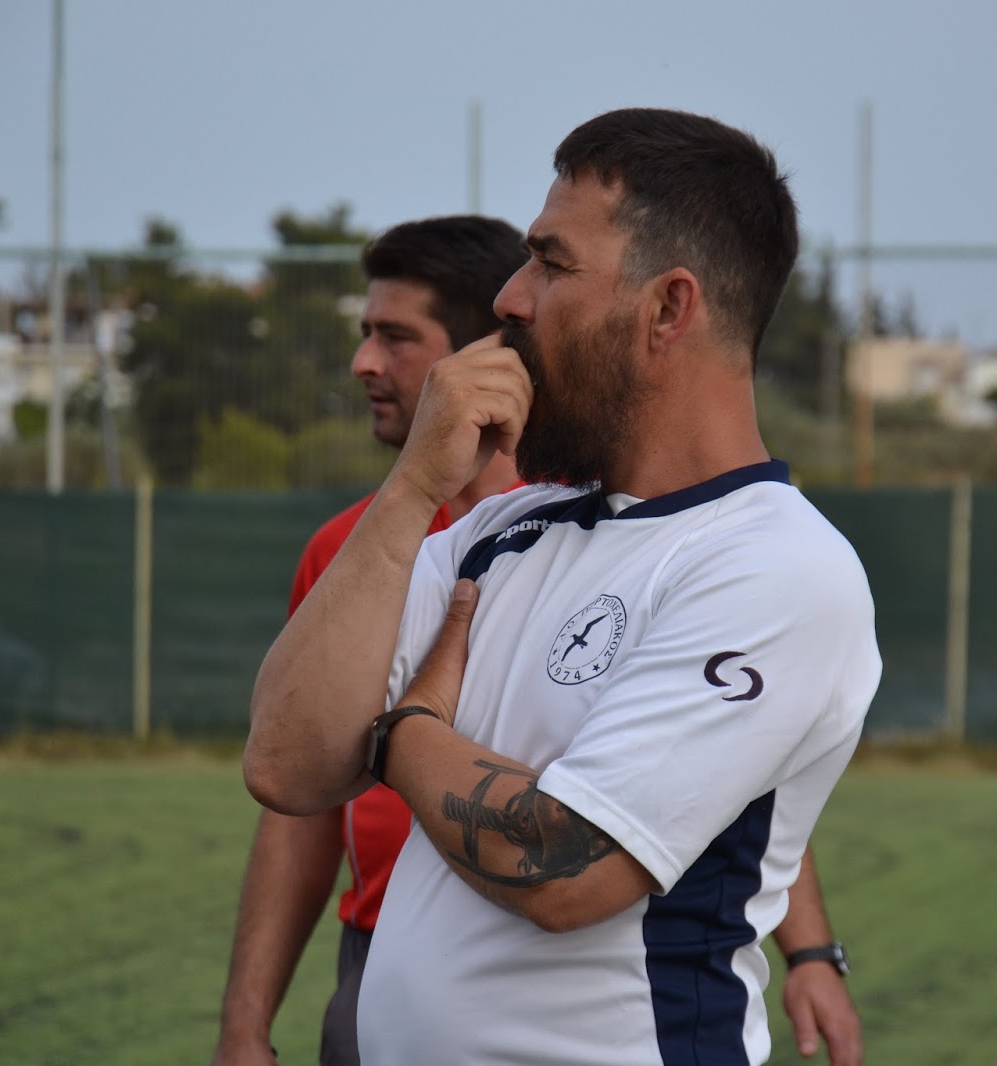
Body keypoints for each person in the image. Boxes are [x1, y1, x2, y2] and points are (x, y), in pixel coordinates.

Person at [242, 108, 881, 1066]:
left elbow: (562, 867)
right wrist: (412, 488)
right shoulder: (502, 530)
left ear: (668, 308)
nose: (511, 298)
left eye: (551, 263)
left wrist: (404, 731)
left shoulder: (777, 565)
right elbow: (286, 764)